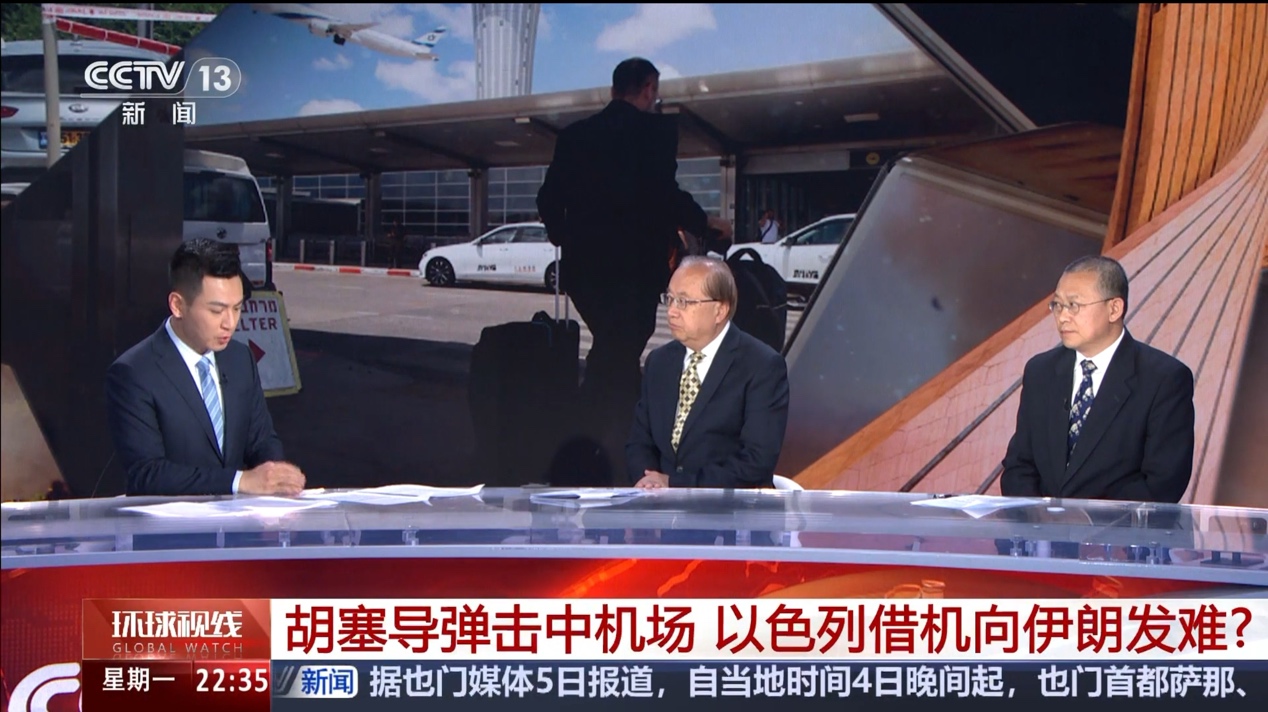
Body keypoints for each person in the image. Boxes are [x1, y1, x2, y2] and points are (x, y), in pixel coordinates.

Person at [538, 57, 733, 483]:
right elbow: (664, 195)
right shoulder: (652, 134)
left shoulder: (574, 137)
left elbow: (548, 200)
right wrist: (705, 223)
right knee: (619, 349)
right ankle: (582, 451)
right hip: (633, 270)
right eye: (654, 91)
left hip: (586, 272)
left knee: (617, 349)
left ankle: (618, 443)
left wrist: (567, 238)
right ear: (648, 89)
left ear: (613, 90)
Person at [106, 239, 306, 497]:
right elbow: (148, 473)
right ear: (178, 305)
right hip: (171, 520)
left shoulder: (240, 359)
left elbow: (261, 439)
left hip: (237, 518)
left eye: (237, 308)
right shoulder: (134, 373)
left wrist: (277, 475)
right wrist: (238, 481)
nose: (230, 323)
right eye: (216, 311)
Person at [1000, 255, 1195, 502]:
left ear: (1114, 309)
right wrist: (1039, 519)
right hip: (1040, 526)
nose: (1062, 317)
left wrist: (1084, 519)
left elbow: (1163, 484)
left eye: (1074, 305)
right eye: (1057, 305)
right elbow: (1019, 466)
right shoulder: (1040, 372)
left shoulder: (1164, 379)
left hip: (1116, 526)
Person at [627, 256, 790, 489]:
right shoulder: (659, 362)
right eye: (669, 299)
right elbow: (639, 442)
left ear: (720, 310)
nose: (671, 311)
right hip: (659, 505)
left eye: (684, 302)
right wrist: (648, 481)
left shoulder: (762, 367)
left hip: (728, 507)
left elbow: (756, 462)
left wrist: (675, 484)